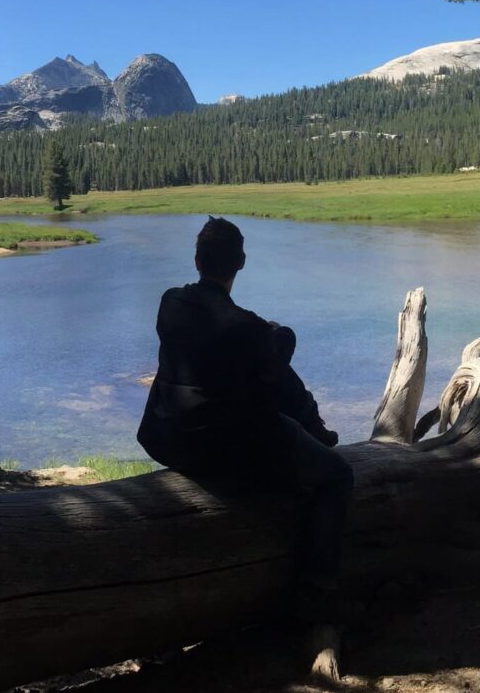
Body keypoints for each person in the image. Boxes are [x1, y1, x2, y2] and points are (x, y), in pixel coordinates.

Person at [136, 216, 353, 674]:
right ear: (241, 263)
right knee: (337, 476)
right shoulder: (250, 331)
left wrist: (270, 343)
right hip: (227, 451)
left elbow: (214, 342)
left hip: (168, 439)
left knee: (274, 367)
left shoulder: (170, 304)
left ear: (197, 261)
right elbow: (281, 392)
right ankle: (317, 609)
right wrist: (317, 433)